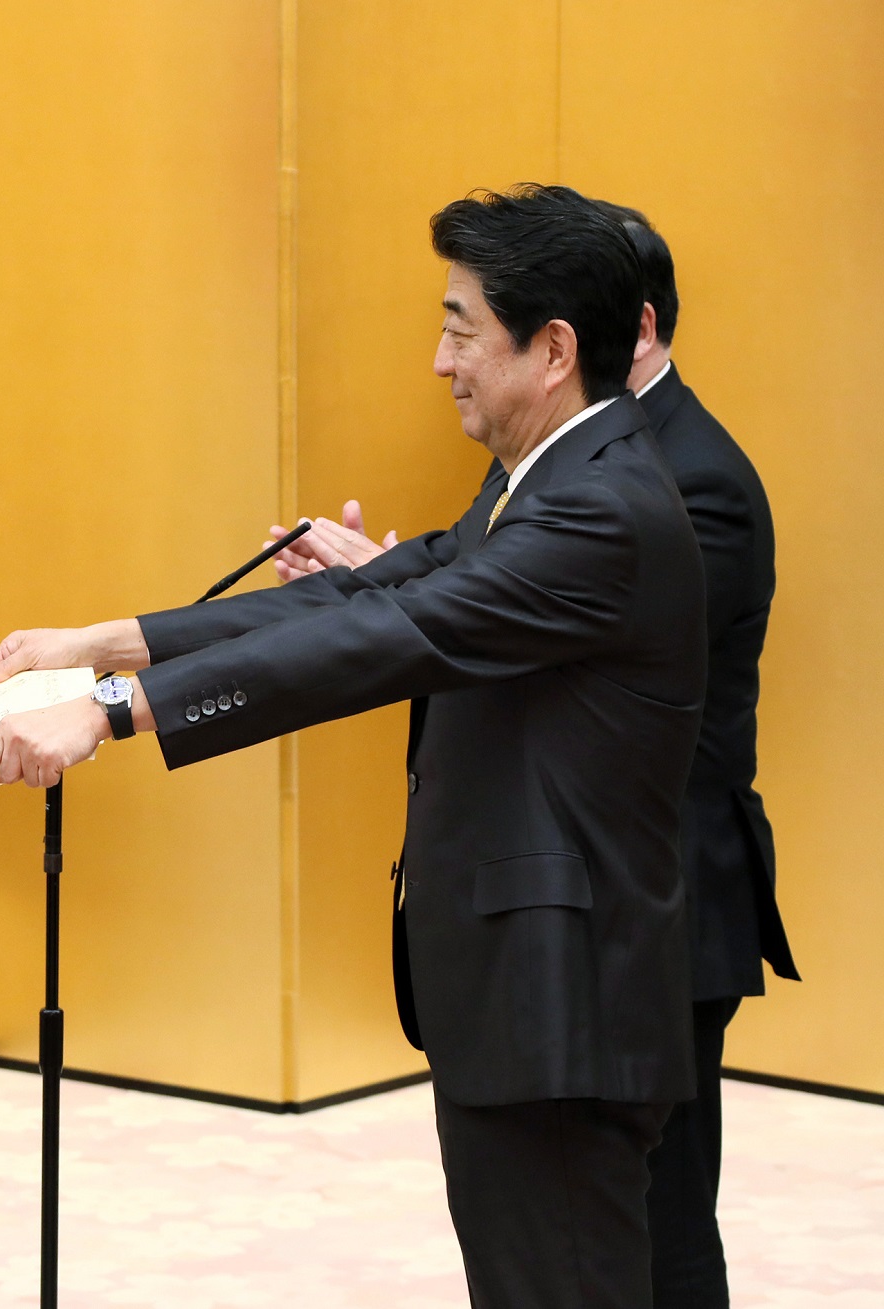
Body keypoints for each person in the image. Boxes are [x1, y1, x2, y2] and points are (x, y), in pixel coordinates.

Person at [0, 185, 705, 1307]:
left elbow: (394, 632)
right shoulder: (546, 478)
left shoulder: (599, 508)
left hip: (562, 1007)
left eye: (462, 327)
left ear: (552, 349)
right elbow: (389, 587)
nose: (439, 359)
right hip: (530, 1000)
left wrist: (116, 709)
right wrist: (115, 639)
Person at [274, 203, 800, 1309]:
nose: (448, 361)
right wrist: (393, 585)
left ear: (609, 327)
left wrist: (413, 608)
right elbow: (498, 600)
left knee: (652, 1229)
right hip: (579, 885)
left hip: (646, 894)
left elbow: (562, 637)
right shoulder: (566, 451)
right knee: (595, 1236)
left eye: (467, 328)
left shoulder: (669, 476)